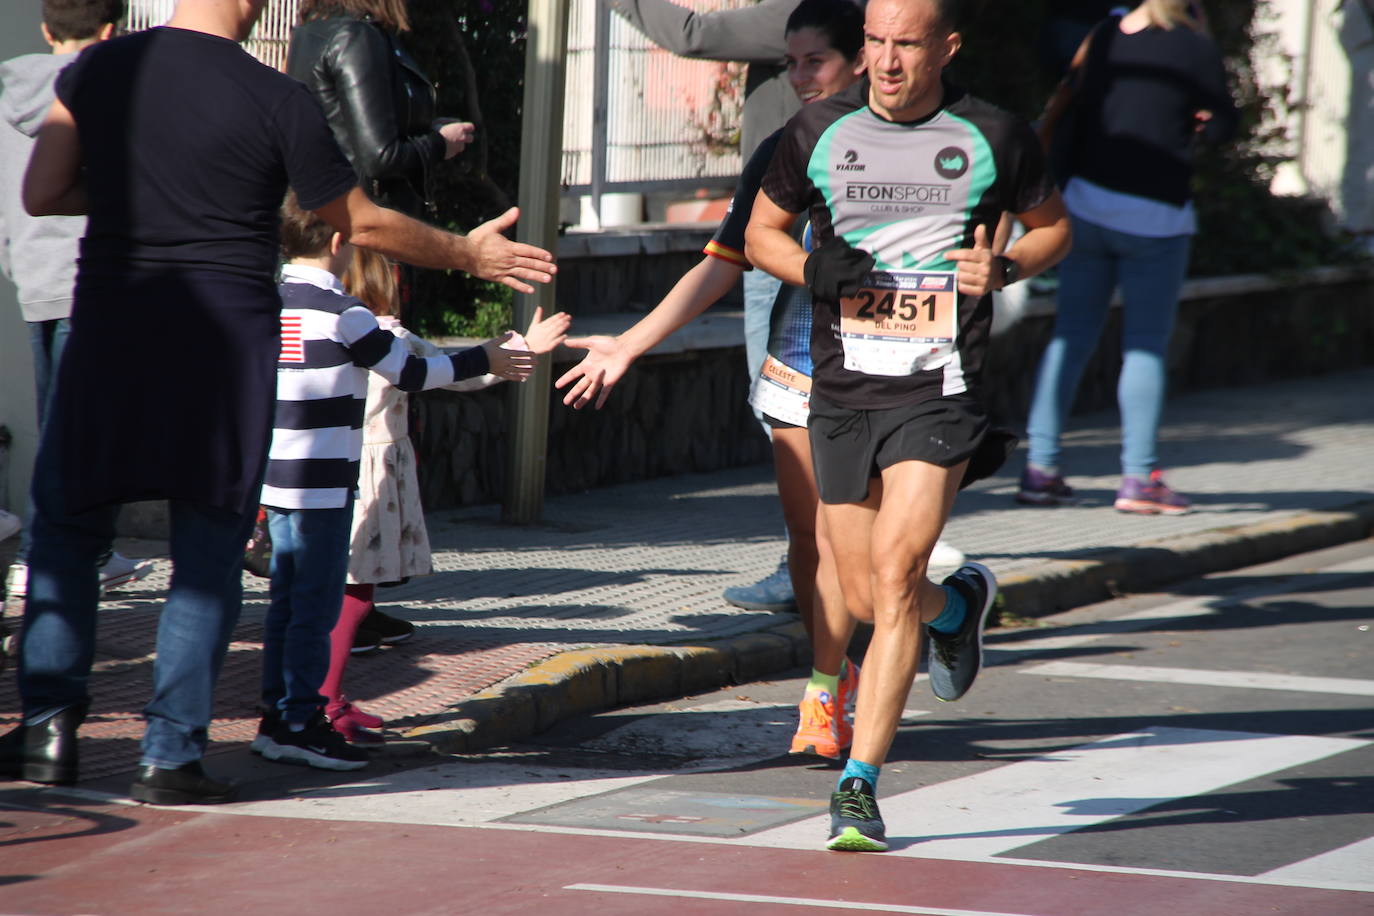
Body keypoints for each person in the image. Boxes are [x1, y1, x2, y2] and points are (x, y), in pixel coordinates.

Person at [0, 0, 553, 804]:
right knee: (207, 550)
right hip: (221, 342)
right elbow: (358, 220)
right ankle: (171, 755)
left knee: (65, 527)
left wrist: (140, 191)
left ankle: (49, 731)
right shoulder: (277, 99)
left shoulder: (95, 70)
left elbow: (45, 191)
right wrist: (468, 252)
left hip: (111, 327)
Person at [745, 0, 1071, 850]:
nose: (888, 62)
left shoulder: (994, 135)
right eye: (877, 44)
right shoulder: (816, 130)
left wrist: (1003, 265)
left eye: (908, 45)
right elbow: (760, 235)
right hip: (842, 390)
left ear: (946, 48)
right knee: (859, 595)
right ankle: (957, 610)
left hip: (940, 387)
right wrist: (814, 265)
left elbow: (1055, 230)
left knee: (890, 581)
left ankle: (860, 784)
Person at [561, 0, 869, 762]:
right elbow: (721, 261)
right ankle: (826, 687)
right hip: (804, 359)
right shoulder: (783, 145)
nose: (796, 77)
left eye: (812, 63)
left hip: (894, 373)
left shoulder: (925, 142)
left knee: (873, 565)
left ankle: (946, 600)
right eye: (789, 62)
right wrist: (629, 344)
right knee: (810, 540)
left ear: (861, 60)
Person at [249, 198, 553, 769]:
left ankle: (277, 715)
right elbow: (414, 371)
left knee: (285, 603)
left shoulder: (266, 302)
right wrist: (484, 356)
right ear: (341, 241)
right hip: (323, 486)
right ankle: (297, 722)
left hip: (274, 481)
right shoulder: (344, 312)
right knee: (314, 608)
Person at [323, 247, 568, 744]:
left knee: (324, 588)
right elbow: (457, 370)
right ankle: (325, 699)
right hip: (374, 472)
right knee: (354, 592)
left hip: (329, 464)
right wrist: (526, 346)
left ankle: (303, 694)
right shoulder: (388, 335)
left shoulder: (323, 328)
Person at [1016, 0, 1235, 514]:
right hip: (1157, 219)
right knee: (1144, 347)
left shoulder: (1104, 35)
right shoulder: (1192, 45)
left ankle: (1040, 468)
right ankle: (1139, 478)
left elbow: (1077, 112)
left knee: (1069, 339)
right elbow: (1223, 124)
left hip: (1088, 208)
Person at [0, 0, 154, 608]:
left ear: (46, 28)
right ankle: (48, 559)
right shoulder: (109, 92)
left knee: (63, 429)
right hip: (95, 282)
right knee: (91, 433)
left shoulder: (8, 97)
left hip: (34, 280)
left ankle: (78, 554)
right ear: (112, 31)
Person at [285, 0, 474, 221]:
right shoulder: (356, 37)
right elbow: (380, 158)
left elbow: (344, 126)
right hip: (367, 226)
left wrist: (423, 130)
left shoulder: (308, 33)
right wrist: (440, 143)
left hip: (324, 216)